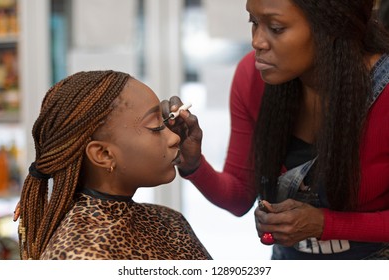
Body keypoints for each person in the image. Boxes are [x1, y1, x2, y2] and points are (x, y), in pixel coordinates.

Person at [161, 0, 389, 259]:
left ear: (332, 26)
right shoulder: (251, 77)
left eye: (276, 28)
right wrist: (193, 164)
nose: (257, 41)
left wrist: (324, 224)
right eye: (254, 23)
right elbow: (238, 197)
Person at [17, 70, 211, 260]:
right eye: (156, 127)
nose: (174, 137)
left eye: (166, 121)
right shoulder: (82, 257)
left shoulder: (170, 221)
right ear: (104, 155)